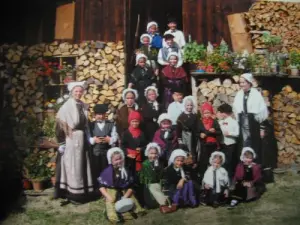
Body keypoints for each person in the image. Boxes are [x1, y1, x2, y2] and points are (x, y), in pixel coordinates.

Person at [55, 81, 94, 204]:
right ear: (72, 92)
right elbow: (60, 124)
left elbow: (86, 125)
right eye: (76, 91)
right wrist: (62, 143)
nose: (78, 93)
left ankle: (83, 193)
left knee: (83, 165)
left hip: (82, 139)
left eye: (80, 91)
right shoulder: (66, 106)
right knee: (73, 166)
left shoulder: (83, 105)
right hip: (71, 139)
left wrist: (89, 138)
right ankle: (73, 195)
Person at [98, 147, 145, 222]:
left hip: (125, 190)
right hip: (112, 191)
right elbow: (101, 186)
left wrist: (126, 195)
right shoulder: (106, 172)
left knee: (131, 199)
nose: (119, 161)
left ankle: (137, 211)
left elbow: (131, 186)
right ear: (111, 161)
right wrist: (108, 196)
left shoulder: (126, 171)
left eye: (120, 158)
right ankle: (114, 217)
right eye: (116, 160)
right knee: (112, 201)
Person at [233, 73, 269, 165]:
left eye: (243, 82)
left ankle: (255, 167)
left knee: (254, 144)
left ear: (249, 83)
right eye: (240, 83)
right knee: (244, 144)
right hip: (242, 122)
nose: (241, 85)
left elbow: (262, 112)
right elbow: (236, 109)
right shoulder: (239, 94)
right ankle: (244, 166)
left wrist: (262, 128)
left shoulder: (256, 94)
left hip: (253, 123)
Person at [89, 104, 118, 185]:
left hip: (107, 152)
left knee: (107, 169)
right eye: (98, 114)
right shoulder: (91, 125)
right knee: (95, 170)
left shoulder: (111, 124)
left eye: (102, 114)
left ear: (105, 114)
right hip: (95, 152)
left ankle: (107, 186)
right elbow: (87, 137)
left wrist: (110, 140)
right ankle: (97, 188)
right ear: (95, 115)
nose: (100, 116)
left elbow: (115, 136)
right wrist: (93, 140)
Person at [139, 143, 168, 209]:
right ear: (147, 153)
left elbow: (162, 175)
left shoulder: (160, 163)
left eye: (155, 153)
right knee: (151, 204)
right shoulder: (145, 164)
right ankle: (161, 201)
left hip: (159, 183)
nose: (153, 155)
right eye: (151, 153)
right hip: (149, 184)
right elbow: (149, 177)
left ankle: (163, 200)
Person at [198, 102, 222, 177]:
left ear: (211, 112)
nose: (207, 115)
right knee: (204, 161)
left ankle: (214, 174)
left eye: (208, 112)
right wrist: (200, 134)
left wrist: (214, 131)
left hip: (213, 144)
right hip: (204, 144)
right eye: (205, 113)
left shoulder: (214, 122)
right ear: (203, 114)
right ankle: (203, 176)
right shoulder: (200, 122)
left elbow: (219, 132)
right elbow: (196, 132)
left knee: (213, 160)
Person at [177, 96, 200, 168]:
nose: (189, 107)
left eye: (191, 105)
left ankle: (194, 164)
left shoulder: (195, 116)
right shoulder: (181, 116)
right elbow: (178, 129)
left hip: (194, 136)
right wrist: (179, 139)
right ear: (184, 105)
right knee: (186, 150)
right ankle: (186, 165)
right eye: (187, 105)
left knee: (194, 150)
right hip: (185, 136)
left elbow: (198, 126)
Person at [217, 103, 239, 178]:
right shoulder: (220, 122)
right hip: (222, 145)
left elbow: (237, 133)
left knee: (230, 162)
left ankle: (230, 177)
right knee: (223, 161)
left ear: (225, 113)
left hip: (230, 145)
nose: (220, 114)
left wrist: (229, 133)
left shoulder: (233, 122)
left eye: (221, 112)